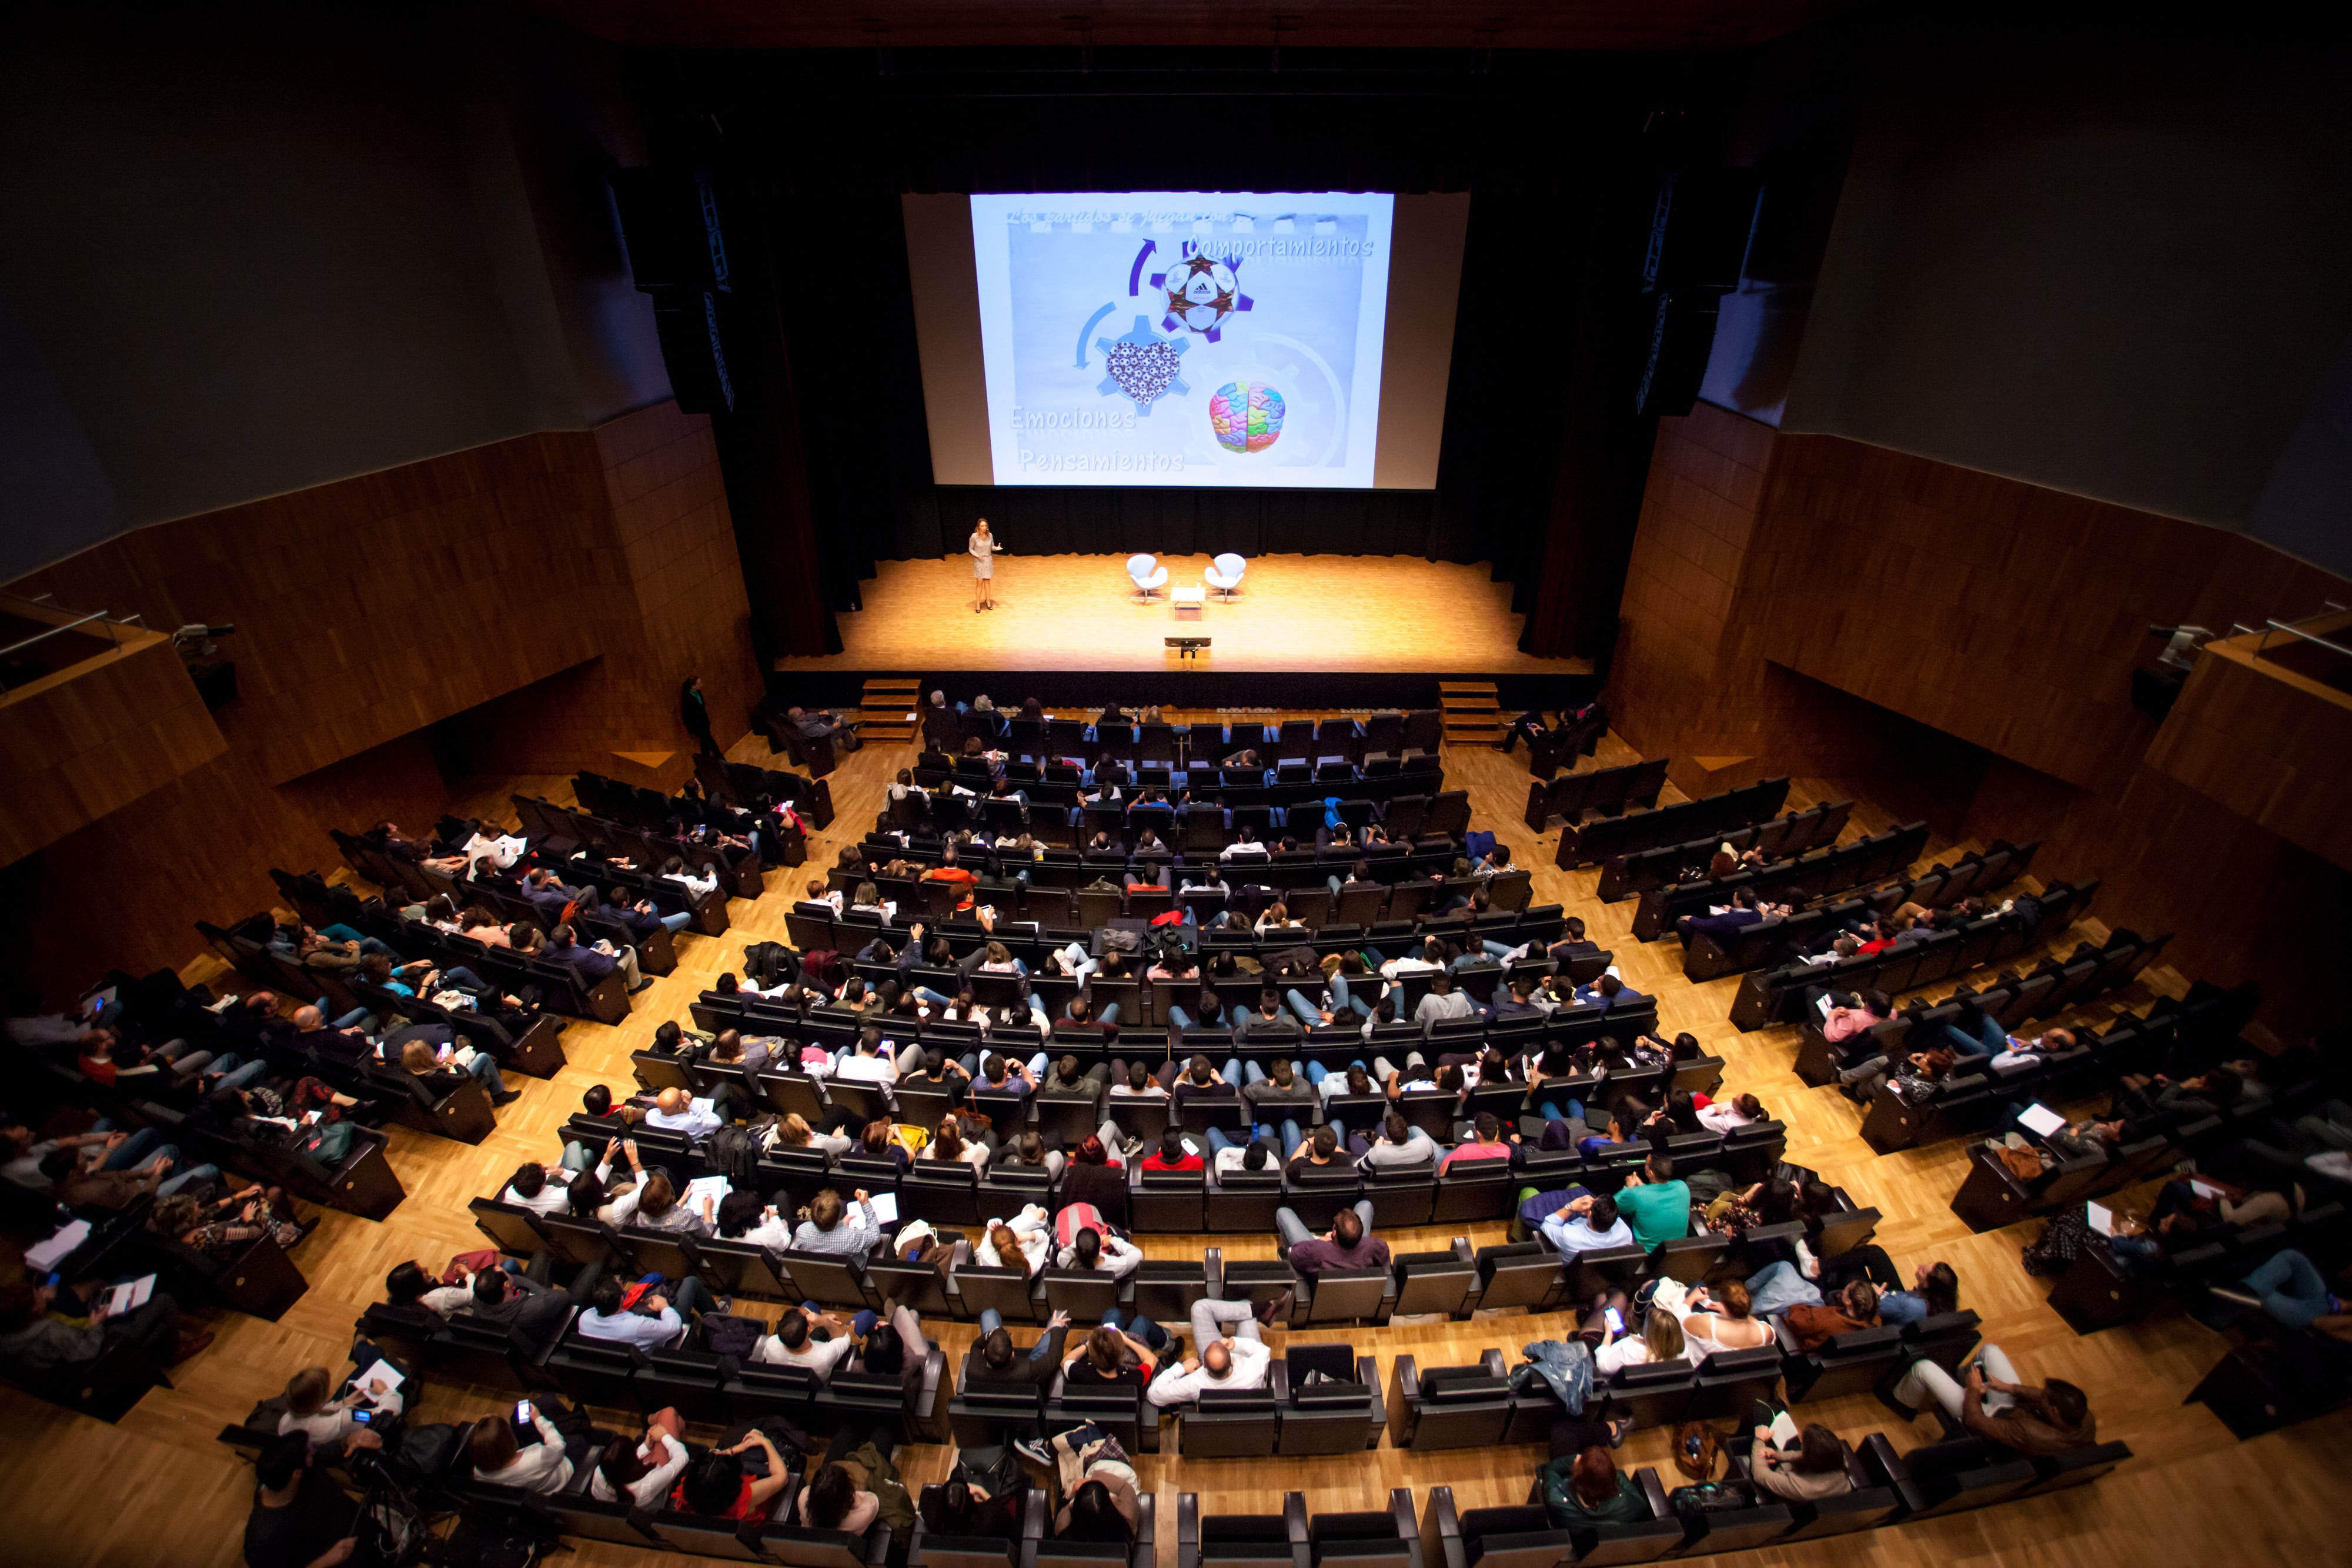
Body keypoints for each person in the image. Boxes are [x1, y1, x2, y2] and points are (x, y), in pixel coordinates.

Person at [1885, 1345, 2095, 1456]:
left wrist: (1975, 1390)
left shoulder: (2030, 1434)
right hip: (2012, 1410)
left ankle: (1903, 1403)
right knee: (1990, 1351)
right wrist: (2009, 1388)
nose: (2042, 1394)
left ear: (2055, 1411)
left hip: (1985, 1418)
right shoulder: (2081, 1415)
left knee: (1923, 1368)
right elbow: (2043, 1397)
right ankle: (1963, 1377)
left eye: (2046, 1398)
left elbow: (1974, 1422)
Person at [245, 1429, 376, 1568]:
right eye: (310, 1451)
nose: (314, 1452)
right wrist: (324, 1562)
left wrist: (350, 1440)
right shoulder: (262, 1540)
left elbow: (332, 1451)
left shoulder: (305, 1466)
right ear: (297, 1474)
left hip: (362, 1531)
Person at [677, 1427, 793, 1522]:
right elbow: (781, 1478)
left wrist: (735, 1449)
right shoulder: (747, 1495)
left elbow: (713, 1461)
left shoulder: (689, 1488)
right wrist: (766, 1442)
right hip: (751, 1524)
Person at [469, 1399, 578, 1493]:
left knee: (520, 1413)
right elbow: (559, 1446)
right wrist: (539, 1420)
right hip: (560, 1476)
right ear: (509, 1440)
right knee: (576, 1439)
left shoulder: (479, 1472)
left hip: (533, 1477)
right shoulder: (537, 1458)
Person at [592, 1407, 692, 1508]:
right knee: (669, 1413)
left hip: (643, 1492)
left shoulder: (600, 1472)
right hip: (658, 1496)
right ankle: (648, 1419)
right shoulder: (647, 1484)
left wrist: (645, 1446)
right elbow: (683, 1457)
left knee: (679, 1423)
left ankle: (665, 1424)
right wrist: (664, 1436)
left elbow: (621, 1468)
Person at [1746, 1413, 1855, 1503]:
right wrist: (1778, 1455)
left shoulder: (1800, 1487)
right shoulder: (1838, 1461)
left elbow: (1760, 1475)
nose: (1802, 1446)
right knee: (1770, 1414)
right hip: (1798, 1477)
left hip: (1781, 1496)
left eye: (1804, 1446)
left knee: (1760, 1417)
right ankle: (1781, 1403)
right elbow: (1804, 1455)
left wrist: (1759, 1439)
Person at [1539, 1443, 1649, 1527]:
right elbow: (1640, 1502)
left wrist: (1573, 1461)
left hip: (1572, 1524)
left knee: (1561, 1433)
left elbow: (1550, 1469)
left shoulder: (1556, 1498)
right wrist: (1605, 1474)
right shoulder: (1629, 1504)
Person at [1277, 1201, 1388, 1279]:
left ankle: (1283, 1251)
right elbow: (1384, 1256)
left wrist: (1320, 1241)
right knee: (1366, 1205)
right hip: (1354, 1281)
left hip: (1319, 1275)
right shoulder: (1372, 1247)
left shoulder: (1317, 1250)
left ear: (1334, 1232)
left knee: (1283, 1213)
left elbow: (1295, 1256)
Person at [1612, 1150, 1692, 1249]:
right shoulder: (1683, 1187)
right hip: (1676, 1252)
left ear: (1650, 1173)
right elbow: (1655, 1198)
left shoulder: (1636, 1194)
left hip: (1647, 1255)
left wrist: (1628, 1188)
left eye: (1646, 1164)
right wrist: (1642, 1187)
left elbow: (1611, 1206)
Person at [1539, 1192, 1633, 1256]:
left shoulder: (1568, 1236)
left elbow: (1546, 1225)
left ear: (1590, 1213)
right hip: (1601, 1274)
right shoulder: (1625, 1234)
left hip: (1571, 1274)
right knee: (1575, 1186)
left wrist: (1571, 1207)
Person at [794, 1188, 881, 1255]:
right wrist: (865, 1205)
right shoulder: (851, 1237)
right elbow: (875, 1236)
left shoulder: (802, 1231)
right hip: (851, 1272)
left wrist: (842, 1224)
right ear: (838, 1216)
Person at [970, 517, 1003, 611]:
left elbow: (991, 547)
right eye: (982, 526)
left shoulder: (990, 535)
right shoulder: (974, 536)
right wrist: (976, 556)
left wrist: (997, 548)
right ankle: (977, 604)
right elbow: (971, 549)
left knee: (987, 582)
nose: (984, 528)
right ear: (979, 527)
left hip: (988, 560)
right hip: (979, 561)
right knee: (979, 582)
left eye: (985, 526)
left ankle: (988, 601)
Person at [681, 674, 718, 757]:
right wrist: (691, 729)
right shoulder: (688, 698)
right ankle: (723, 760)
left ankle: (706, 762)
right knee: (711, 743)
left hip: (704, 723)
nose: (702, 685)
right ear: (693, 686)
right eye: (699, 684)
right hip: (698, 726)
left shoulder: (698, 693)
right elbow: (686, 715)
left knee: (705, 744)